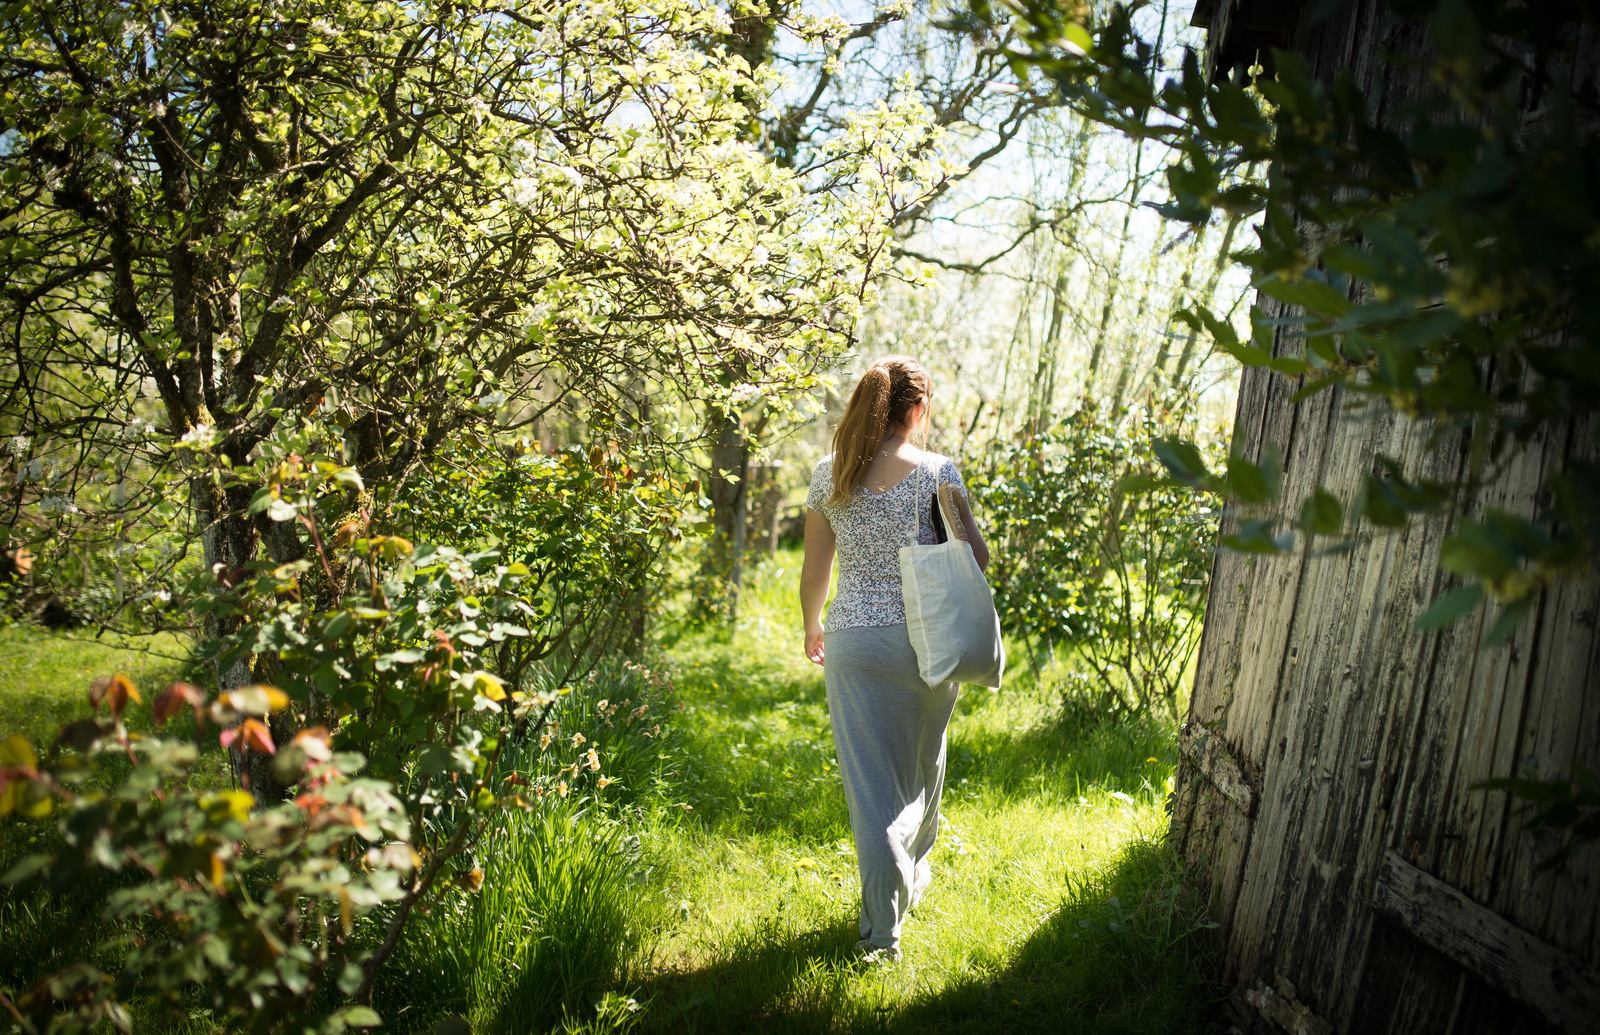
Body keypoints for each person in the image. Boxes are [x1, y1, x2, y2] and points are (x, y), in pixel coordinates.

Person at [799, 355, 990, 963]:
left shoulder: (829, 475)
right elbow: (977, 558)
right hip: (926, 642)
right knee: (922, 770)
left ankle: (888, 911)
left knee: (872, 790)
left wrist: (812, 625)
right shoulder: (937, 472)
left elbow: (815, 571)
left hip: (853, 641)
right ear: (916, 409)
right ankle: (887, 927)